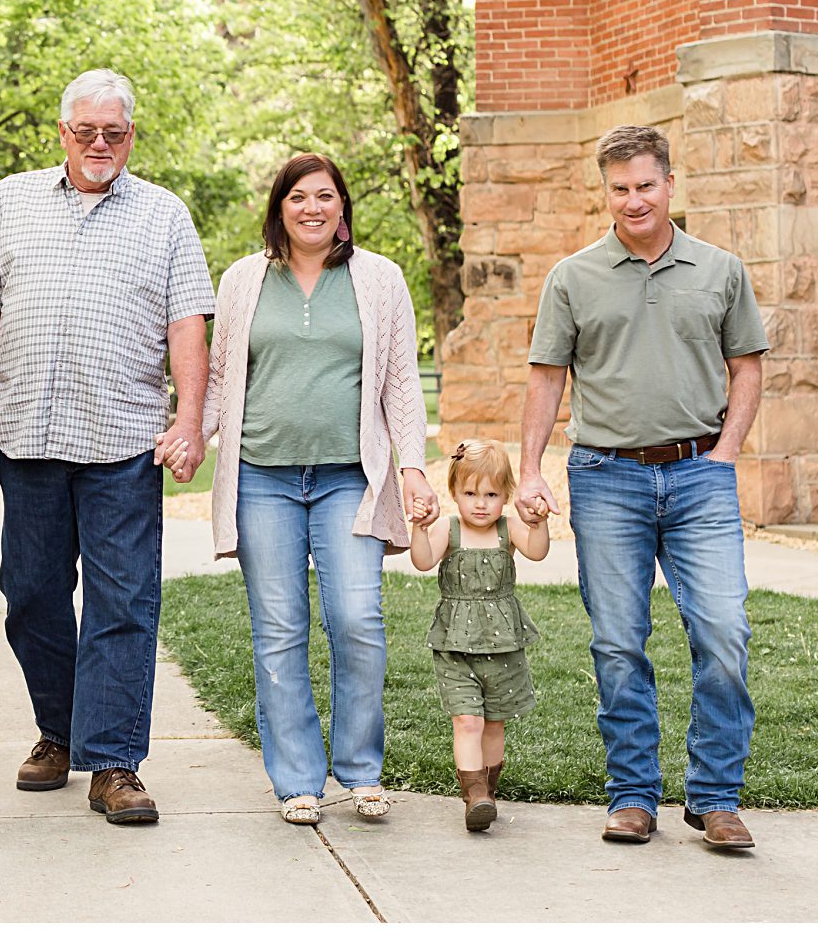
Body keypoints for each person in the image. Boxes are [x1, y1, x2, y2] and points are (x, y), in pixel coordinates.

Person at [0, 69, 215, 825]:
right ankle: (59, 730)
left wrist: (188, 421)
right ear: (62, 132)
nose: (100, 144)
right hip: (30, 434)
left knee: (122, 602)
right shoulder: (10, 201)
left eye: (116, 132)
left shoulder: (165, 215)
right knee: (31, 596)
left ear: (132, 136)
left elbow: (188, 325)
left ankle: (115, 763)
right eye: (86, 131)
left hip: (125, 440)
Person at [516, 124, 767, 850]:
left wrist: (726, 454)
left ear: (669, 183)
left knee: (724, 632)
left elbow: (746, 364)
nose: (634, 200)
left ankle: (716, 797)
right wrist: (530, 468)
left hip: (699, 477)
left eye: (645, 185)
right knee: (618, 642)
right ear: (606, 192)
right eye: (620, 188)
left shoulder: (720, 270)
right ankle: (632, 794)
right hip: (604, 478)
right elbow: (547, 378)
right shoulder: (573, 276)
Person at [200, 151, 438, 826]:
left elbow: (399, 381)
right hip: (262, 479)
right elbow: (221, 375)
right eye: (299, 197)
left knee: (358, 621)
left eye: (325, 196)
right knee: (279, 630)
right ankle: (297, 779)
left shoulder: (379, 278)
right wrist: (195, 436)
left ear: (342, 208)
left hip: (348, 479)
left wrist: (413, 467)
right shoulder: (245, 279)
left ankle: (361, 769)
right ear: (279, 207)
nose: (313, 208)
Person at [408, 439, 546, 832]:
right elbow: (421, 561)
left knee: (494, 723)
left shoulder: (508, 530)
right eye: (470, 493)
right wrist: (419, 528)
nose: (480, 503)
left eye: (491, 494)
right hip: (456, 645)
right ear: (454, 493)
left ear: (506, 496)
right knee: (467, 721)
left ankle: (489, 789)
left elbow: (536, 552)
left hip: (503, 644)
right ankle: (475, 796)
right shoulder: (448, 531)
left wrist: (539, 524)